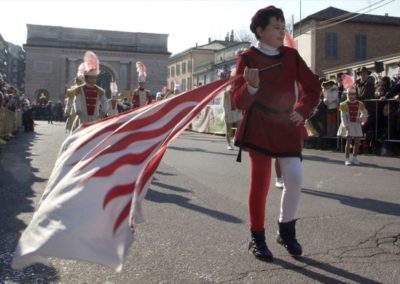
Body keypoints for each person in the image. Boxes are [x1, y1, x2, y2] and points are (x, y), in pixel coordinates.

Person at [232, 6, 320, 261]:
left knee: (294, 177)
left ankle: (286, 229)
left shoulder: (291, 56)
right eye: (276, 27)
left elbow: (312, 88)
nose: (282, 31)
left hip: (286, 124)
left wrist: (302, 110)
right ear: (260, 31)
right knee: (260, 183)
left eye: (283, 27)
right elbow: (238, 101)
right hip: (258, 124)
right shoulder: (247, 58)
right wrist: (251, 87)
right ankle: (257, 237)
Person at [73, 51, 108, 127]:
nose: (93, 80)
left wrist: (104, 110)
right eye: (91, 78)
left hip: (95, 117)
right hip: (83, 116)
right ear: (86, 78)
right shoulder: (80, 89)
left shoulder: (99, 90)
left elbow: (104, 101)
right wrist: (78, 109)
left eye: (95, 78)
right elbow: (77, 100)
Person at [337, 86, 368, 165]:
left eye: (353, 94)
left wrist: (360, 119)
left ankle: (355, 157)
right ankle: (347, 159)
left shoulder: (360, 103)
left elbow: (365, 113)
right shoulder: (343, 104)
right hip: (348, 124)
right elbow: (342, 116)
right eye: (349, 94)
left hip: (356, 125)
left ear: (355, 95)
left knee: (357, 141)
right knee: (348, 141)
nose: (351, 96)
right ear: (347, 95)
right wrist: (346, 125)